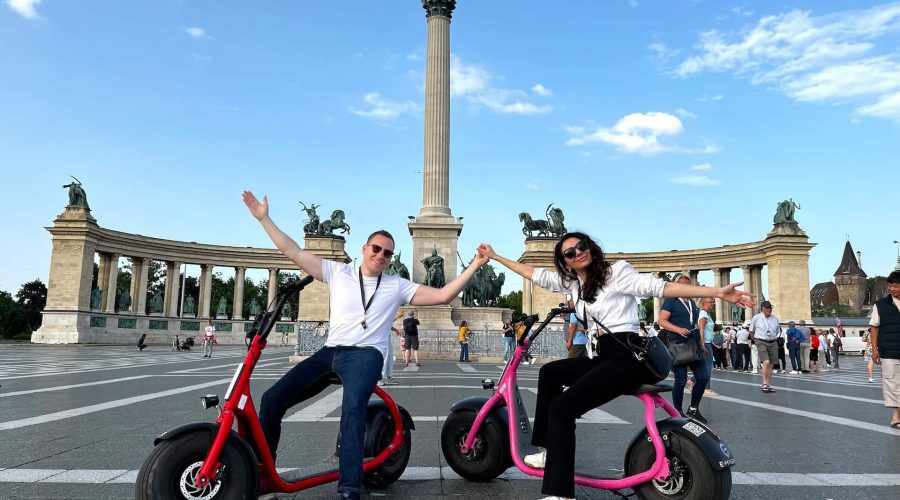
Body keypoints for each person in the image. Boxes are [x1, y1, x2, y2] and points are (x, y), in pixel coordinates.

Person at [242, 191, 488, 499]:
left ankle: (349, 489)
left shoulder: (397, 285)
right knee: (272, 399)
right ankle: (262, 476)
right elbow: (293, 252)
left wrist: (475, 264)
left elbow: (442, 295)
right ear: (364, 248)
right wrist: (264, 219)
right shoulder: (338, 272)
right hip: (331, 352)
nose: (381, 255)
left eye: (387, 252)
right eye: (376, 248)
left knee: (353, 409)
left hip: (366, 355)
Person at [477, 234, 751, 500]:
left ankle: (560, 493)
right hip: (604, 357)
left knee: (562, 408)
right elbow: (536, 274)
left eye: (581, 246)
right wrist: (496, 257)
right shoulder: (574, 284)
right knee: (549, 373)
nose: (577, 253)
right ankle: (551, 452)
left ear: (591, 247)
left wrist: (716, 292)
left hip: (627, 356)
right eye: (569, 253)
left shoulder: (616, 272)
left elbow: (660, 287)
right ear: (566, 262)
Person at [658, 274, 709, 420]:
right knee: (680, 380)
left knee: (703, 376)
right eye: (682, 284)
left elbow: (695, 325)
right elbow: (661, 320)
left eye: (687, 284)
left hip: (693, 344)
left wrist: (701, 343)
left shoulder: (692, 303)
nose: (685, 287)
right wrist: (678, 329)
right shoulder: (670, 301)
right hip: (677, 345)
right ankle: (677, 411)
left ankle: (693, 408)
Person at [870, 271, 900, 429]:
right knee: (892, 383)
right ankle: (896, 415)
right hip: (889, 349)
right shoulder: (880, 305)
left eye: (896, 285)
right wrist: (874, 349)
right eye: (890, 285)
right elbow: (873, 327)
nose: (892, 288)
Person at [749, 300, 780, 393]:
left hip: (773, 341)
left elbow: (778, 330)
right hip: (760, 340)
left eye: (770, 308)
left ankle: (768, 384)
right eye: (767, 308)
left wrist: (776, 337)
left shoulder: (775, 318)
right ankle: (764, 383)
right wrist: (755, 340)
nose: (769, 309)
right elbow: (751, 330)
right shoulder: (756, 318)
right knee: (766, 361)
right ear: (762, 309)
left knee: (771, 364)